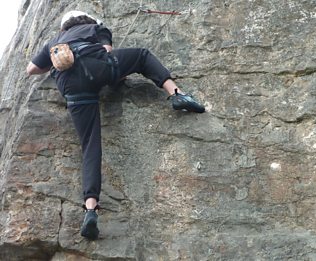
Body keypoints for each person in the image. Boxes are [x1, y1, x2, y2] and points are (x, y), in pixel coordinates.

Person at [26, 10, 205, 240]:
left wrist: (53, 63)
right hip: (96, 67)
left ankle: (90, 209)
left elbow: (31, 69)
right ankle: (176, 94)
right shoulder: (95, 28)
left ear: (64, 27)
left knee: (90, 147)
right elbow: (108, 51)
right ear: (87, 19)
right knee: (141, 56)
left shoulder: (54, 42)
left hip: (70, 85)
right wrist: (113, 74)